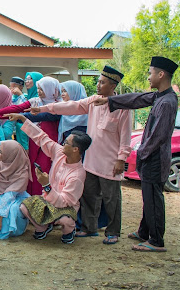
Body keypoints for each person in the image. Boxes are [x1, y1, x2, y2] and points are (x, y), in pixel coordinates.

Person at [32, 67, 130, 244]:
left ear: (113, 86)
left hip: (110, 162)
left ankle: (113, 232)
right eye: (98, 81)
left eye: (102, 83)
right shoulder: (93, 101)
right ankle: (89, 228)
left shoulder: (122, 107)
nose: (98, 85)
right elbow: (71, 106)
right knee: (89, 196)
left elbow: (125, 135)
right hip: (91, 160)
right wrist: (43, 108)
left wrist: (121, 159)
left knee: (111, 199)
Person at [94, 57, 178, 252]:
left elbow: (158, 136)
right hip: (151, 157)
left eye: (150, 73)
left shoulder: (167, 102)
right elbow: (137, 99)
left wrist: (142, 153)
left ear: (161, 74)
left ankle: (156, 241)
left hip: (155, 158)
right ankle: (144, 232)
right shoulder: (159, 96)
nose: (148, 77)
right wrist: (109, 100)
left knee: (154, 199)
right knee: (148, 197)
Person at [9, 114, 91, 244]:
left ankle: (69, 231)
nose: (62, 144)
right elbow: (42, 138)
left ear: (75, 149)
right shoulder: (60, 153)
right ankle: (42, 227)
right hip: (48, 200)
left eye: (66, 143)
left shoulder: (77, 175)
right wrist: (24, 119)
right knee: (24, 207)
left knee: (64, 219)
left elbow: (64, 201)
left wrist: (46, 185)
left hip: (66, 206)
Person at [0, 76, 61, 196]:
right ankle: (32, 197)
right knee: (33, 168)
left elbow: (41, 116)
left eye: (42, 89)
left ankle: (46, 197)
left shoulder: (57, 106)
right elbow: (17, 108)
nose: (39, 91)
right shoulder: (35, 101)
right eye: (38, 88)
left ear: (50, 90)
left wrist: (20, 117)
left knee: (45, 168)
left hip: (49, 141)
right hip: (34, 139)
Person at [0, 140, 31, 240]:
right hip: (0, 194)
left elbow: (10, 195)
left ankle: (11, 231)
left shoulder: (22, 172)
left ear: (10, 155)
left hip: (17, 197)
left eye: (1, 151)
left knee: (14, 208)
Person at [9, 76, 29, 150]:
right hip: (11, 125)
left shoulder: (25, 96)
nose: (12, 89)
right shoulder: (10, 97)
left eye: (15, 86)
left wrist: (20, 94)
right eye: (11, 86)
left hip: (20, 124)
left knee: (23, 146)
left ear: (21, 87)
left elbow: (26, 107)